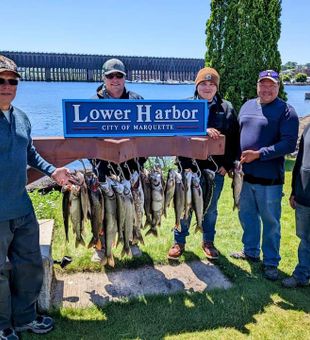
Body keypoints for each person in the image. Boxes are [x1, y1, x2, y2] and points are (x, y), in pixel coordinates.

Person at [0, 55, 72, 339]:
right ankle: (3, 324)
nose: (7, 86)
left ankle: (25, 317)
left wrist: (53, 172)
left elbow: (30, 153)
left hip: (22, 206)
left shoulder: (21, 118)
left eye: (12, 81)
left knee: (29, 264)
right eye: (1, 80)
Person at [231, 70, 299, 281]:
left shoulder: (287, 111)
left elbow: (288, 144)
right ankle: (250, 251)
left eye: (272, 85)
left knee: (271, 223)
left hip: (270, 182)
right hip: (244, 177)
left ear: (278, 87)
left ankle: (270, 262)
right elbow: (236, 136)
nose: (267, 89)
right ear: (257, 86)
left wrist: (259, 154)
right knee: (247, 217)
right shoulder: (247, 106)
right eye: (263, 84)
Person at [167, 67, 239, 260]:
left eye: (212, 84)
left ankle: (208, 241)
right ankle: (178, 241)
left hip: (215, 170)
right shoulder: (184, 107)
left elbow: (234, 140)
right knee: (184, 207)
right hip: (188, 169)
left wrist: (228, 165)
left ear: (217, 87)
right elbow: (175, 137)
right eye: (203, 84)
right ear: (196, 86)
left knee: (211, 209)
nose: (207, 88)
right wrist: (202, 129)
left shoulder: (227, 108)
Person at [90, 58, 146, 261]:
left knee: (132, 205)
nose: (115, 79)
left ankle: (131, 240)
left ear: (125, 78)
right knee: (103, 208)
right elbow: (86, 138)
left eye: (119, 75)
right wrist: (95, 164)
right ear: (103, 78)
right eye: (110, 76)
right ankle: (100, 245)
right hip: (103, 165)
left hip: (130, 164)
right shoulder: (92, 103)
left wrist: (140, 163)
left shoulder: (137, 100)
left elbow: (147, 135)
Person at [282, 123, 310, 288]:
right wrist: (294, 190)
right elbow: (299, 162)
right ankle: (302, 275)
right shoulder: (307, 129)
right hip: (304, 195)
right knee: (305, 239)